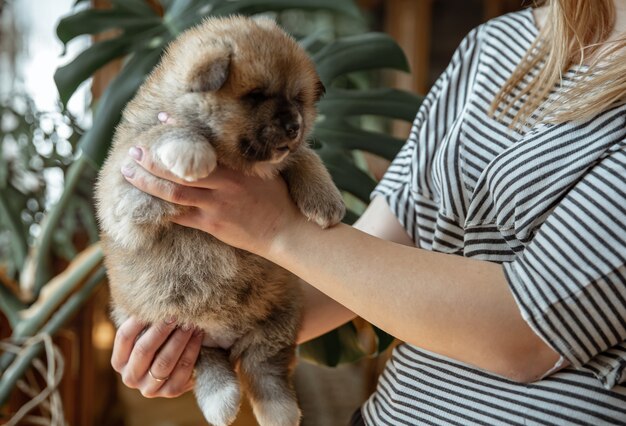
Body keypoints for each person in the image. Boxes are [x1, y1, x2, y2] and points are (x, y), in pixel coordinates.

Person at [111, 0, 626, 424]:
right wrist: (196, 337)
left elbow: (527, 333)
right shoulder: (494, 47)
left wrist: (274, 228)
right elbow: (384, 245)